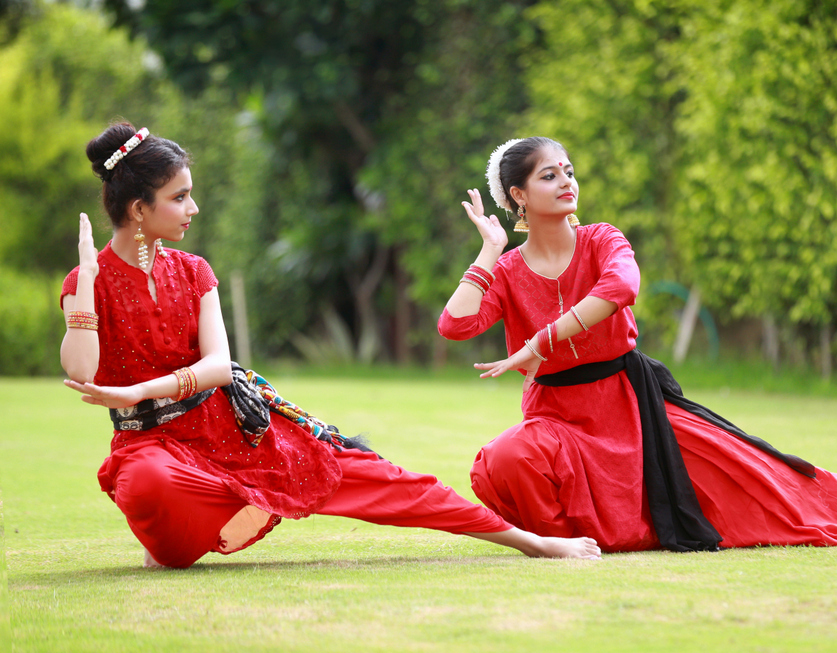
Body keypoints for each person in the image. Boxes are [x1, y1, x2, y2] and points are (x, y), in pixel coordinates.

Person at [60, 123, 601, 569]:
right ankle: (186, 527)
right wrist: (86, 280)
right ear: (138, 209)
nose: (193, 208)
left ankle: (527, 540)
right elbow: (83, 374)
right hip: (151, 446)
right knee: (151, 485)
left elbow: (219, 367)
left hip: (231, 429)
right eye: (180, 197)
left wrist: (138, 388)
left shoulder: (195, 269)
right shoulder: (91, 281)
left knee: (382, 479)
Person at [438, 136, 837, 553]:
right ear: (518, 195)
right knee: (504, 462)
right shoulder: (507, 270)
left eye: (569, 172)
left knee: (766, 474)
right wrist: (489, 250)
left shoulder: (603, 239)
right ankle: (556, 545)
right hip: (557, 417)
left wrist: (542, 339)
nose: (566, 181)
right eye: (549, 175)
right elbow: (455, 326)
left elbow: (621, 289)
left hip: (631, 405)